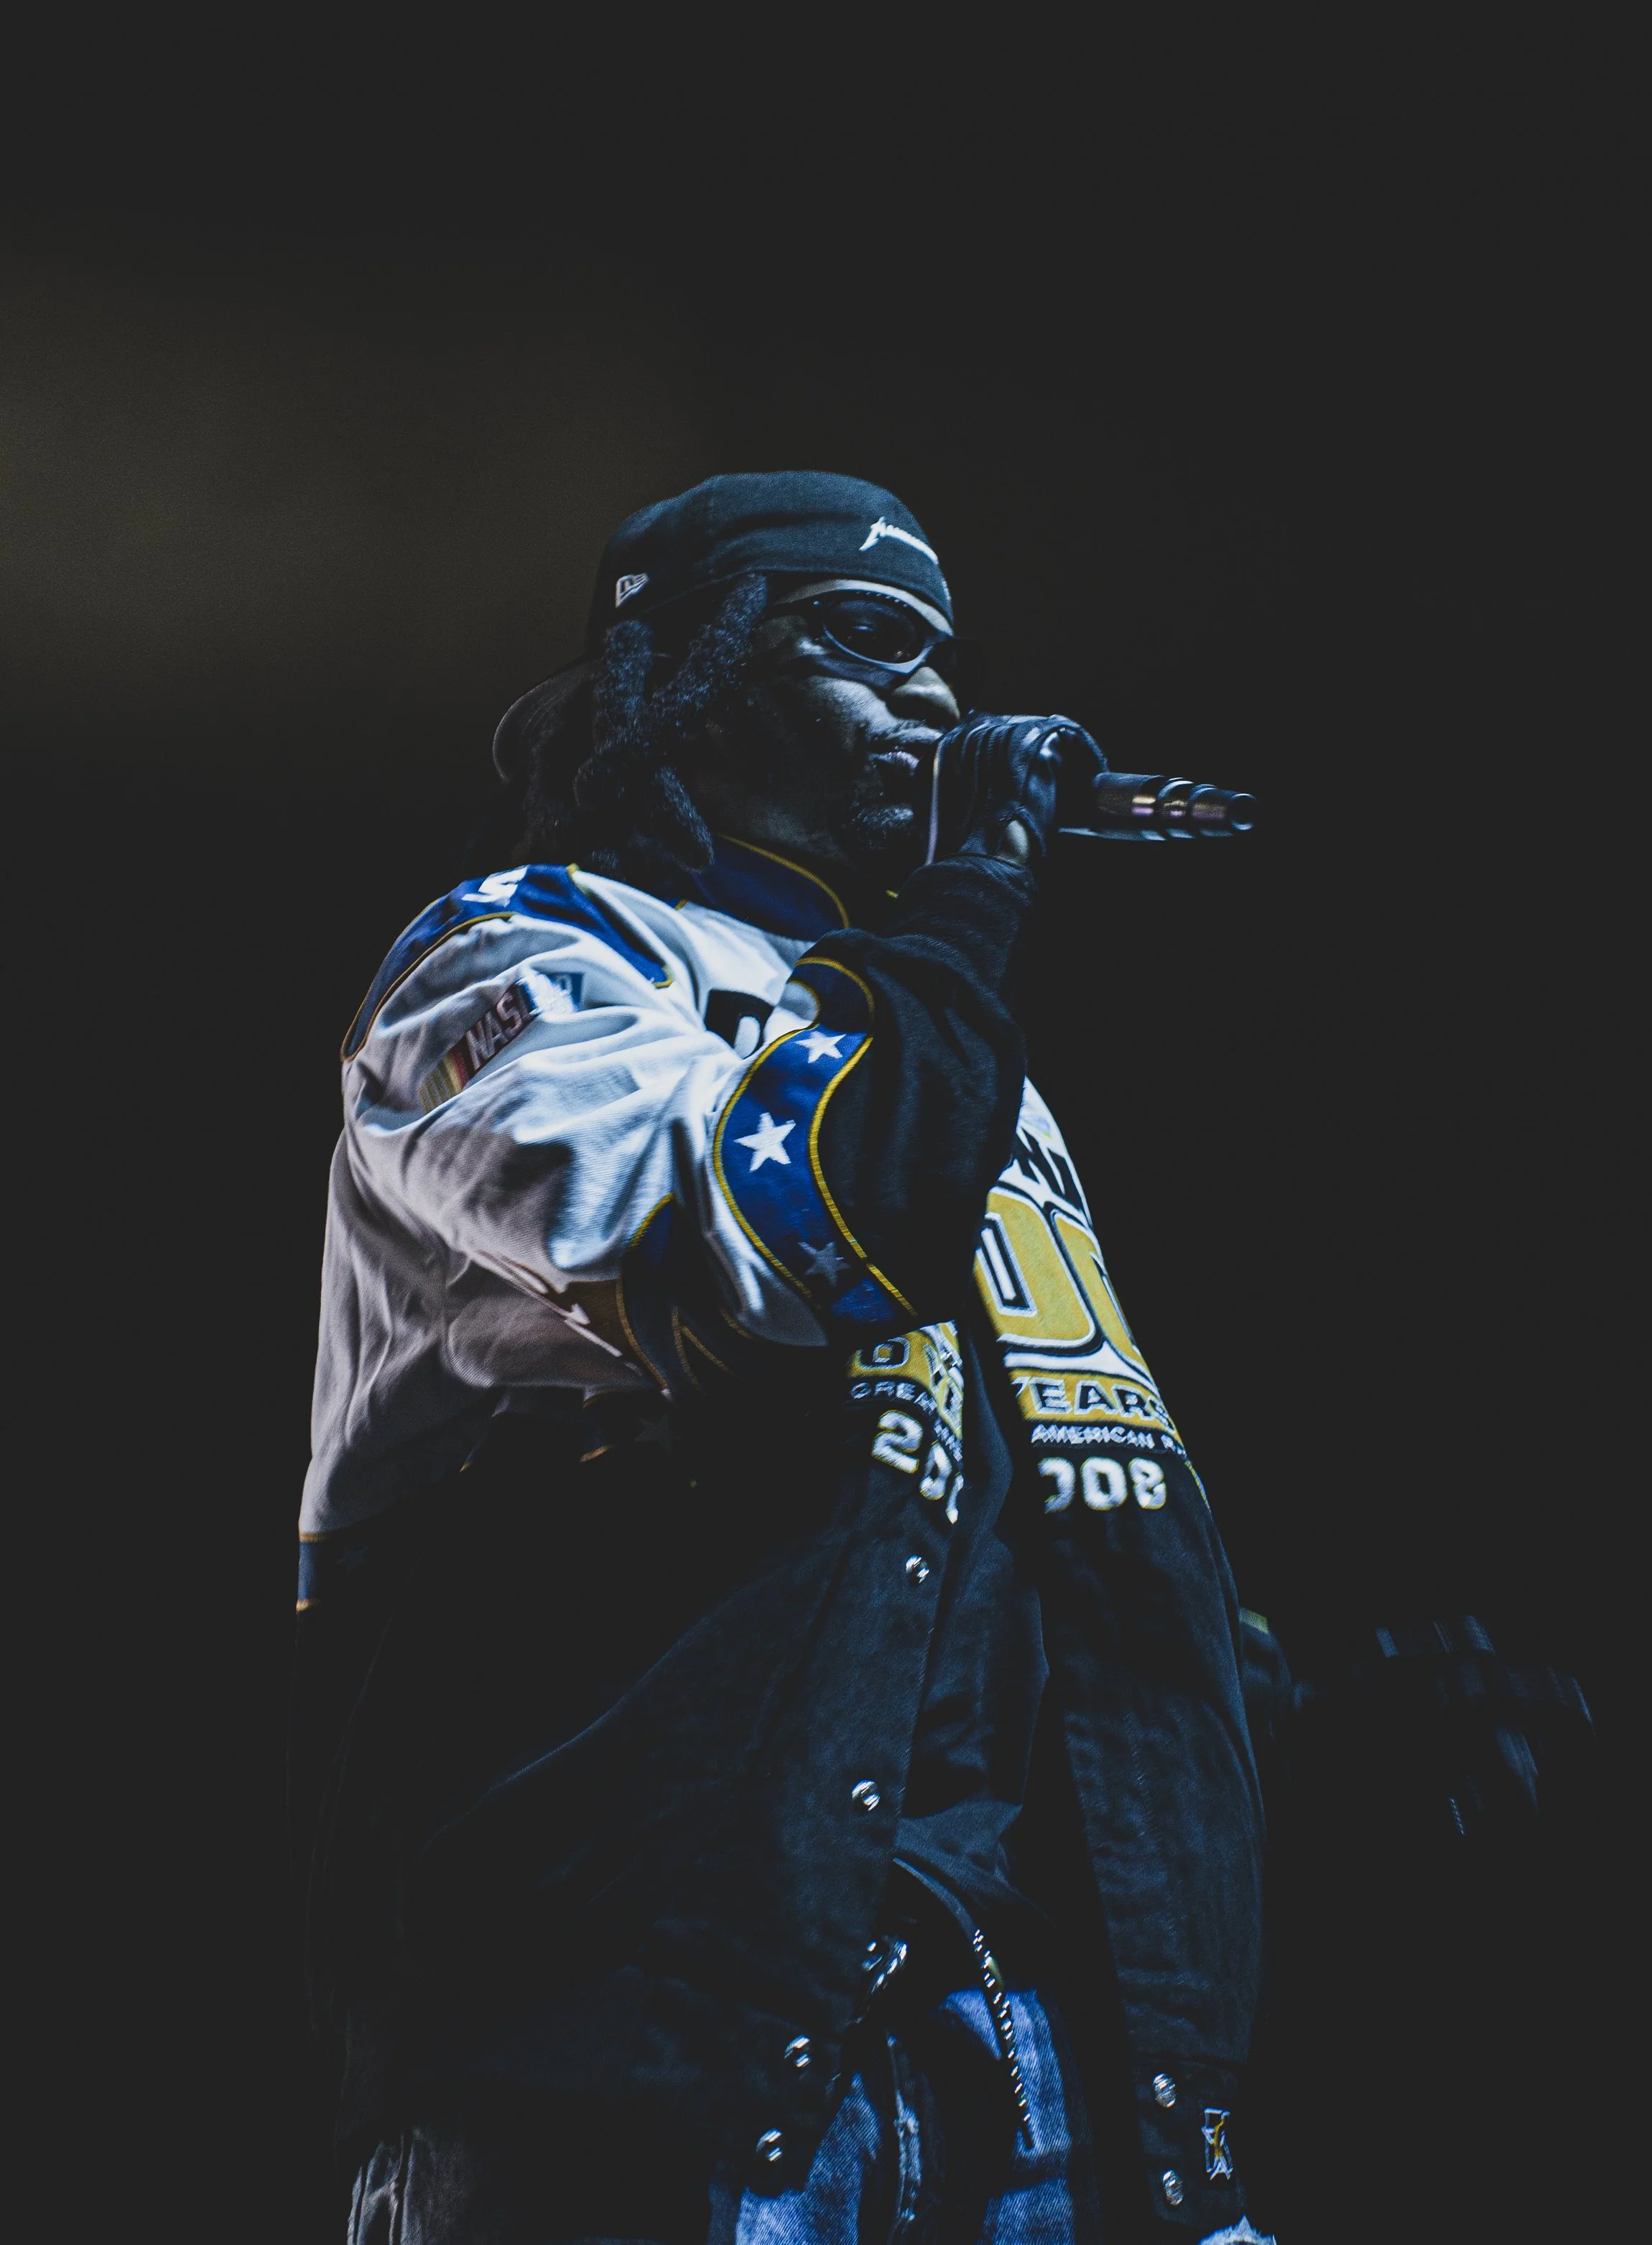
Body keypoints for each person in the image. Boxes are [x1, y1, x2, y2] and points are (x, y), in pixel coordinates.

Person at [294, 471, 1271, 2244]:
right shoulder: (523, 953)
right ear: (686, 670)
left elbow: (964, 1545)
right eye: (865, 640)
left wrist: (1269, 1694)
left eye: (946, 659)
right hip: (641, 2069)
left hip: (1046, 2067)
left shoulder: (952, 1065)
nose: (939, 703)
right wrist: (975, 884)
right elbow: (789, 1249)